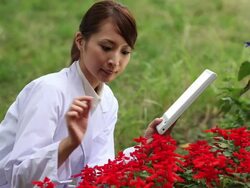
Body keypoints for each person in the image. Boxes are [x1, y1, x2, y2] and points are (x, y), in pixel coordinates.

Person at [0, 1, 170, 187]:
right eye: (106, 47)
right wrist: (70, 142)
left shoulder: (107, 101)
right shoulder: (49, 91)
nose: (115, 61)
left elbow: (99, 174)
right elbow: (17, 178)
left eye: (125, 51)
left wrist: (143, 148)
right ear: (81, 41)